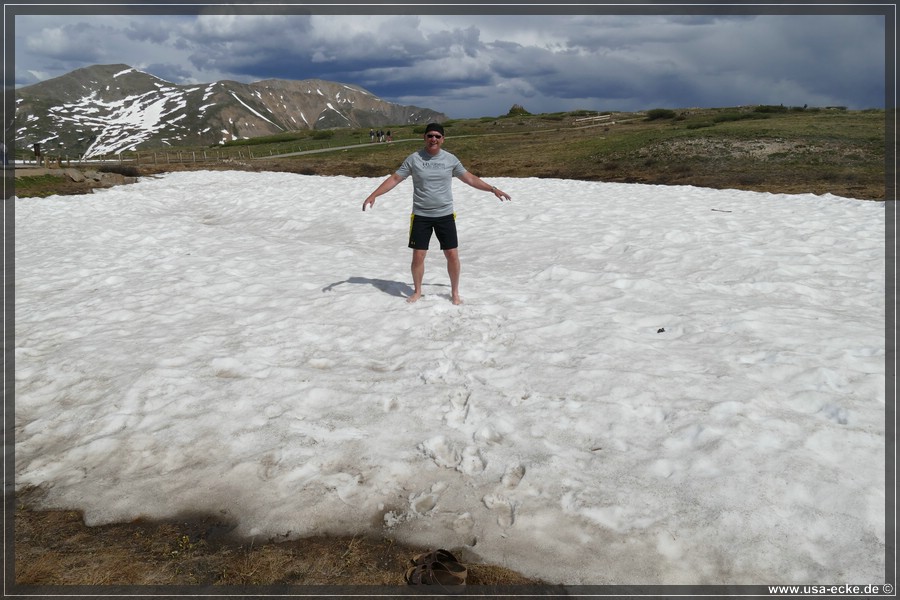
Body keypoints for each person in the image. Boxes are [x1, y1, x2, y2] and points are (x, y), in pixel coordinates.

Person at [362, 123, 511, 305]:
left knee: (452, 255)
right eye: (430, 136)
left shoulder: (450, 159)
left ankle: (455, 292)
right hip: (421, 215)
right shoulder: (414, 159)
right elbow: (395, 178)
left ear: (443, 139)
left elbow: (469, 178)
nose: (434, 139)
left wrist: (492, 189)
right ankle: (417, 291)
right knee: (418, 256)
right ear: (424, 138)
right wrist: (374, 195)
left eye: (437, 136)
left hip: (445, 215)